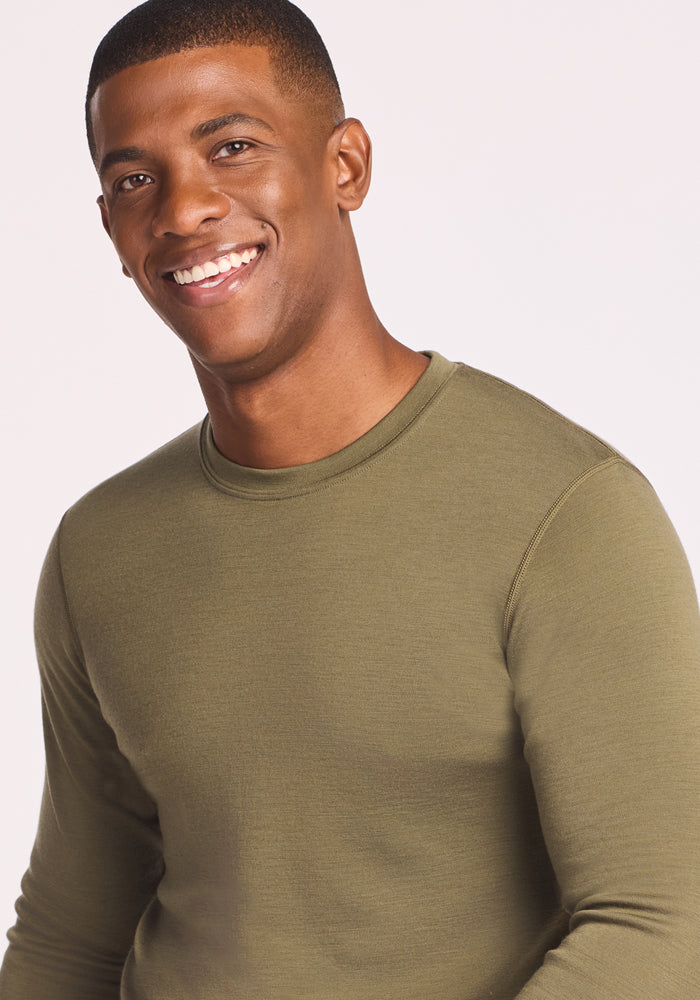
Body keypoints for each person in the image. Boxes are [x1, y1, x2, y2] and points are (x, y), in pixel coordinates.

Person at [1, 0, 698, 996]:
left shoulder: (570, 513)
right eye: (134, 179)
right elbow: (72, 932)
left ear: (345, 166)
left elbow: (661, 924)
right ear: (112, 228)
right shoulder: (98, 550)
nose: (184, 208)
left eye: (231, 147)